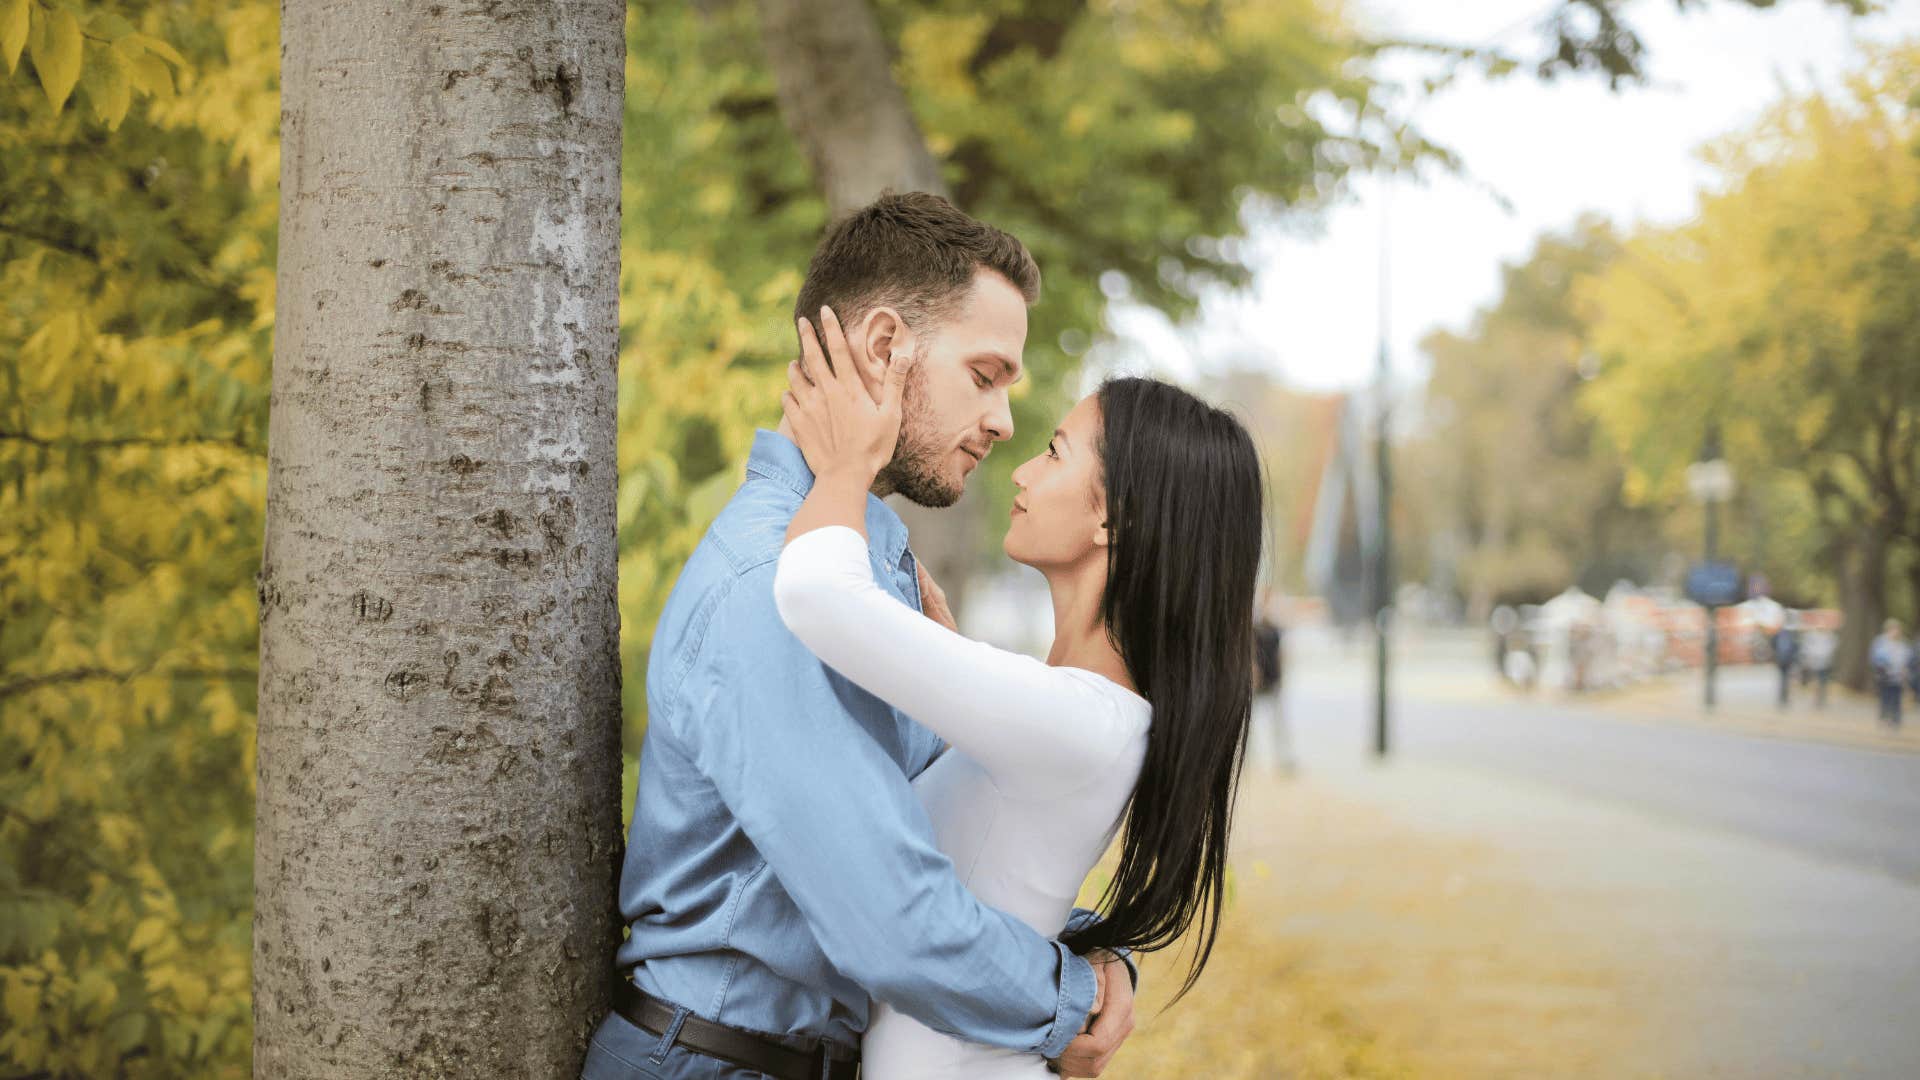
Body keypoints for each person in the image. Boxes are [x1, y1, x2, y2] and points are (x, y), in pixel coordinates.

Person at [583, 194, 1135, 1080]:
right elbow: (894, 916)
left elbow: (934, 844)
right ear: (884, 349)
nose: (1001, 421)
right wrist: (1066, 996)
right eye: (985, 374)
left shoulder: (866, 569)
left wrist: (1091, 956)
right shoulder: (775, 585)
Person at [775, 307, 1262, 1077]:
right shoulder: (1074, 713)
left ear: (1114, 515)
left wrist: (846, 468)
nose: (1026, 471)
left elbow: (814, 595)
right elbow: (992, 879)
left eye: (1056, 452)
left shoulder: (1074, 723)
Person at [1248, 591, 1292, 773]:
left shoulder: (1276, 629)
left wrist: (1282, 676)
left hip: (1273, 681)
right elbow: (1250, 652)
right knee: (1251, 723)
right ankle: (1249, 759)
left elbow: (1281, 654)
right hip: (1259, 683)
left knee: (1278, 723)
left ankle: (1281, 758)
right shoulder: (1255, 628)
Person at [1870, 619, 1911, 728]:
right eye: (1893, 629)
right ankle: (1884, 718)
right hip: (1885, 675)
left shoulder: (1903, 644)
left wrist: (1905, 671)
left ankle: (1895, 720)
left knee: (1896, 698)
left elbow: (1907, 659)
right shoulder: (1881, 642)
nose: (1895, 632)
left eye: (1897, 630)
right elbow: (1876, 658)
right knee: (1885, 697)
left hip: (1898, 676)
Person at [1800, 622, 1837, 709]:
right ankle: (1817, 698)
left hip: (1825, 663)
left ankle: (1822, 697)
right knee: (1816, 682)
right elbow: (1807, 648)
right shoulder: (1813, 637)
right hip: (1815, 663)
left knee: (1823, 682)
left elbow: (1832, 648)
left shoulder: (1829, 637)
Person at [1771, 617, 1800, 709]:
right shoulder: (1791, 635)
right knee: (1785, 678)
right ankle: (1784, 696)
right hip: (1785, 660)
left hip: (1784, 659)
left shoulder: (1780, 635)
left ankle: (1783, 696)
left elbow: (1773, 644)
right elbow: (1796, 647)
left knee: (1784, 679)